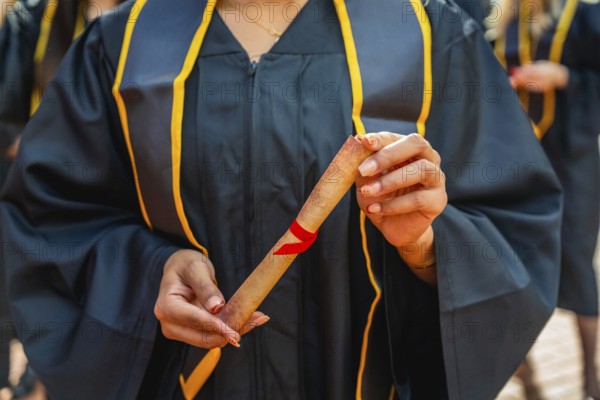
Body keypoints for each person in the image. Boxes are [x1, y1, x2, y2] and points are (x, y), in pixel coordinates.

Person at [0, 0, 562, 398]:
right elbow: (50, 219)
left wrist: (426, 245)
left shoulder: (431, 36)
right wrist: (153, 270)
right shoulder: (120, 49)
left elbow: (516, 227)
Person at [0, 0, 119, 397]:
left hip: (123, 206)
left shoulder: (158, 21)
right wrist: (46, 147)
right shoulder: (34, 20)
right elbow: (6, 122)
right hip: (48, 199)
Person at [493, 0, 600, 397]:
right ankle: (528, 377)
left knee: (574, 261)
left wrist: (565, 76)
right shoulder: (503, 19)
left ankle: (590, 378)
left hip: (572, 163)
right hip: (515, 162)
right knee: (507, 266)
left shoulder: (586, 15)